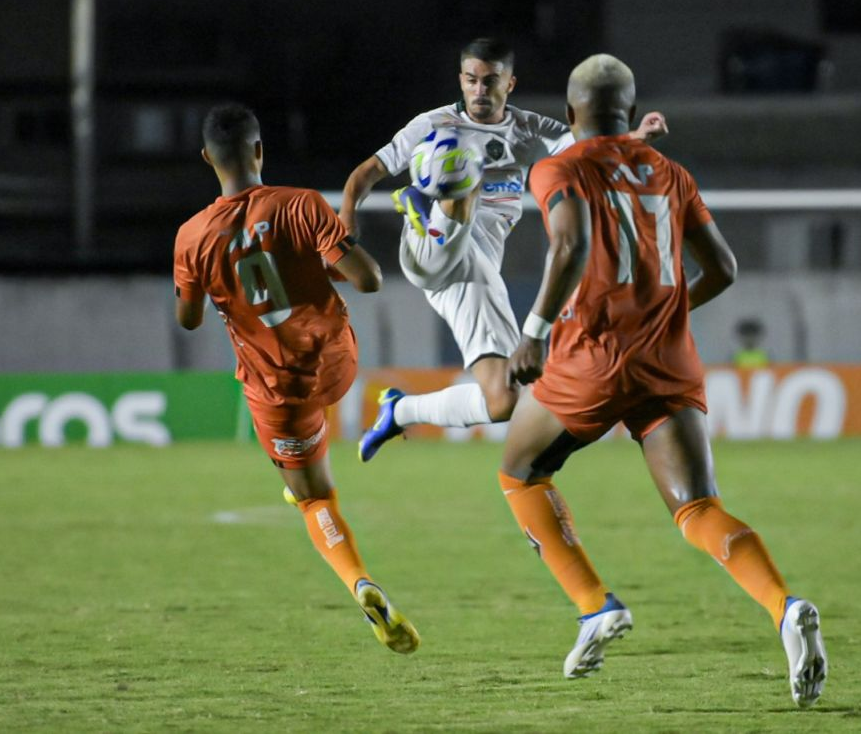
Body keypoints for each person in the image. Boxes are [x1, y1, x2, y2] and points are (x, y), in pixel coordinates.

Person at [499, 55, 827, 706]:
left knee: (519, 469)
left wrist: (533, 329)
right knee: (697, 506)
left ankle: (595, 604)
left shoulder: (556, 166)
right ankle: (784, 606)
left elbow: (568, 244)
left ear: (569, 115)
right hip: (668, 358)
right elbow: (725, 268)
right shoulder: (669, 172)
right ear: (629, 109)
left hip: (592, 355)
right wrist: (666, 312)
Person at [343, 38, 667, 461]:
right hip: (428, 246)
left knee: (505, 399)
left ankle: (400, 410)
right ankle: (427, 200)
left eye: (490, 81)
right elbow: (366, 173)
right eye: (471, 80)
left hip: (470, 274)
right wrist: (347, 219)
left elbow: (592, 150)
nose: (479, 90)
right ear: (461, 80)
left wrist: (635, 138)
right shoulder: (432, 123)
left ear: (509, 84)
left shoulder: (529, 129)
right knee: (458, 160)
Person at [173, 103, 419, 654]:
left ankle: (360, 580)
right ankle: (301, 473)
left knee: (311, 497)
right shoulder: (301, 204)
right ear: (260, 151)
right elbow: (370, 280)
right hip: (337, 364)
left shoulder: (191, 236)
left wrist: (219, 289)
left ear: (208, 160)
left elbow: (187, 320)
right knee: (305, 457)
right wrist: (321, 255)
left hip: (276, 391)